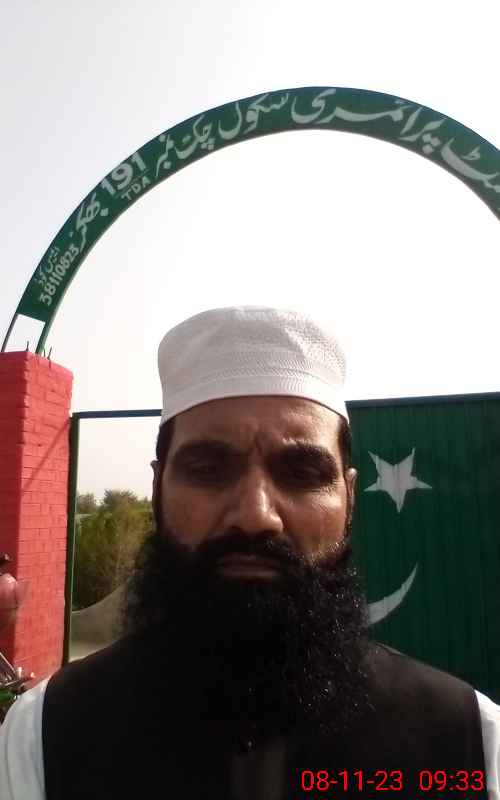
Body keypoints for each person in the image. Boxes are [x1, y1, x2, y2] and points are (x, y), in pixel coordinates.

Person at [1, 305, 499, 800]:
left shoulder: (469, 742)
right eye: (209, 469)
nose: (257, 516)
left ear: (349, 498)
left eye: (301, 473)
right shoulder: (44, 738)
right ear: (157, 490)